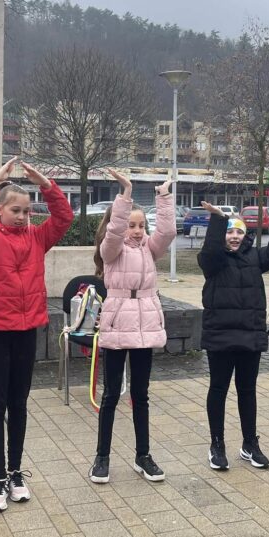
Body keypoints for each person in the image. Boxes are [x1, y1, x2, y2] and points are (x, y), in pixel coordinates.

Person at [0, 157, 74, 512]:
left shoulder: (37, 237)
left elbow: (64, 218)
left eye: (27, 211)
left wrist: (47, 186)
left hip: (26, 331)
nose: (23, 217)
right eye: (16, 210)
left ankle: (15, 473)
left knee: (19, 403)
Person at [198, 199, 269, 471]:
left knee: (247, 390)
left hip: (249, 336)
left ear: (246, 236)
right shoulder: (213, 261)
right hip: (220, 336)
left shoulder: (255, 258)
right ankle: (217, 444)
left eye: (239, 232)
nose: (234, 236)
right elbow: (210, 250)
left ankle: (250, 444)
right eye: (229, 232)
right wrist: (218, 220)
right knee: (218, 389)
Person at [88, 170, 175, 485]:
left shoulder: (150, 249)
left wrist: (163, 196)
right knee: (111, 394)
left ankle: (143, 455)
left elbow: (167, 232)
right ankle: (102, 457)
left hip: (145, 326)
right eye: (131, 225)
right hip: (117, 323)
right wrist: (125, 194)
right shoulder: (112, 250)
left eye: (141, 226)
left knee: (141, 394)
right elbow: (113, 234)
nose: (137, 232)